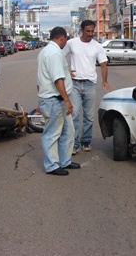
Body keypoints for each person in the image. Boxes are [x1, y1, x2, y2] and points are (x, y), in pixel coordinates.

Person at [63, 20, 111, 154]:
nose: (90, 34)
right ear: (82, 30)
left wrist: (105, 80)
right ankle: (74, 144)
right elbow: (60, 56)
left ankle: (86, 142)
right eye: (88, 31)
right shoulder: (72, 43)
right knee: (75, 114)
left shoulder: (97, 46)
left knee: (89, 116)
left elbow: (103, 64)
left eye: (92, 31)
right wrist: (66, 71)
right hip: (75, 84)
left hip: (90, 84)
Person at [37, 27, 80, 176]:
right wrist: (67, 101)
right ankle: (52, 165)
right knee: (52, 133)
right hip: (55, 100)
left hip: (55, 99)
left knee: (68, 131)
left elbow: (44, 76)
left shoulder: (45, 51)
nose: (65, 43)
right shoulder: (54, 53)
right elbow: (57, 79)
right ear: (62, 37)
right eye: (65, 39)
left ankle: (64, 160)